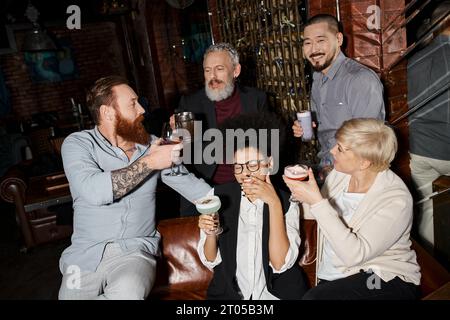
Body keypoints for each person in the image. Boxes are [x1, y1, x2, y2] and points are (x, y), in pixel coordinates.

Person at [58, 76, 212, 300]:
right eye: (132, 103)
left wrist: (235, 199)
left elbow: (190, 185)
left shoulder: (151, 144)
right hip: (84, 256)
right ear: (108, 112)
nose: (142, 109)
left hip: (135, 254)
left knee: (128, 293)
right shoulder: (78, 144)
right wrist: (149, 162)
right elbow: (93, 191)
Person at [284, 118, 421, 300]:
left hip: (382, 276)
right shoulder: (340, 175)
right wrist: (290, 199)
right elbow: (316, 212)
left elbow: (354, 255)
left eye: (340, 148)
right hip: (337, 275)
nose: (332, 151)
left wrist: (317, 201)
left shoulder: (396, 199)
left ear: (364, 162)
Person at [197, 113, 308, 300]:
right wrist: (211, 233)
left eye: (253, 165)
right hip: (230, 296)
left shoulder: (288, 201)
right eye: (238, 166)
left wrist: (273, 203)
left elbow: (280, 263)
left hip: (276, 295)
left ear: (270, 163)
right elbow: (210, 259)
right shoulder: (216, 196)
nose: (245, 174)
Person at [174, 42, 268, 215]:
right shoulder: (191, 104)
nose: (212, 76)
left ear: (236, 71)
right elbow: (183, 153)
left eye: (219, 69)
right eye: (207, 70)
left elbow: (267, 146)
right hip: (207, 189)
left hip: (249, 186)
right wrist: (175, 137)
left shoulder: (256, 99)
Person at [292, 14, 385, 172]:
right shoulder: (318, 79)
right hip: (327, 165)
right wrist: (306, 129)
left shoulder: (359, 79)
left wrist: (335, 171)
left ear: (339, 40)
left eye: (321, 40)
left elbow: (368, 140)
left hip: (356, 170)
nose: (313, 49)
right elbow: (325, 130)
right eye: (307, 43)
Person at [408, 1, 450, 248]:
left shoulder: (415, 59)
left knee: (427, 211)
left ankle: (436, 268)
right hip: (446, 149)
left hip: (420, 152)